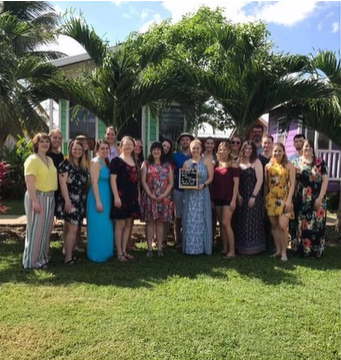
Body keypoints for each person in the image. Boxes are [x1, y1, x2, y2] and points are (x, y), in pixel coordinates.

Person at [23, 133, 57, 269]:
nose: (45, 143)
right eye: (42, 141)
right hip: (38, 197)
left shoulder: (49, 159)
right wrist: (35, 201)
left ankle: (42, 258)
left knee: (45, 230)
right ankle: (31, 261)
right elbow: (29, 182)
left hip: (50, 197)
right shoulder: (32, 160)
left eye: (47, 141)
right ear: (36, 144)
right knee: (36, 231)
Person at [291, 139, 329, 258]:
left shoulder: (320, 162)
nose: (307, 148)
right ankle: (302, 251)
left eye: (309, 146)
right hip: (300, 199)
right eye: (305, 146)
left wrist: (320, 198)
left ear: (313, 148)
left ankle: (315, 252)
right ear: (302, 148)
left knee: (317, 225)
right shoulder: (295, 162)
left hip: (317, 198)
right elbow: (291, 182)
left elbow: (325, 180)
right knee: (301, 225)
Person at [57, 139, 89, 265]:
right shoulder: (65, 164)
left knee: (73, 229)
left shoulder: (82, 166)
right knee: (73, 230)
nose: (77, 151)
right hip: (70, 200)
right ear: (70, 149)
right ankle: (68, 258)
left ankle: (69, 254)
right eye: (75, 149)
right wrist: (67, 201)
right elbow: (62, 184)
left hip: (79, 201)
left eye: (80, 149)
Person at [140, 142, 174, 257]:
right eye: (154, 149)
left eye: (158, 149)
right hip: (150, 197)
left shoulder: (167, 165)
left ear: (161, 151)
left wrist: (164, 195)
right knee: (149, 223)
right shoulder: (146, 164)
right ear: (151, 151)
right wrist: (149, 194)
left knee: (160, 223)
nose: (156, 151)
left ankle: (159, 248)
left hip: (163, 198)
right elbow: (143, 180)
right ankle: (149, 248)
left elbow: (171, 183)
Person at [110, 136, 141, 262]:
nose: (128, 146)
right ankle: (119, 252)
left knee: (128, 225)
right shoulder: (116, 161)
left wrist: (138, 195)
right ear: (121, 146)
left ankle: (124, 250)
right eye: (125, 144)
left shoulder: (136, 161)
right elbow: (112, 180)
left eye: (130, 144)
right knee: (120, 225)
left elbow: (137, 182)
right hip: (121, 197)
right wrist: (116, 197)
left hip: (132, 197)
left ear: (133, 147)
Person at [182, 139, 214, 255]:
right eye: (193, 148)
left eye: (197, 148)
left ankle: (202, 248)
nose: (195, 150)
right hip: (190, 195)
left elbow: (211, 177)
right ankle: (190, 248)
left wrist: (204, 184)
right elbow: (184, 179)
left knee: (202, 219)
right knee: (190, 220)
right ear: (190, 150)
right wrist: (188, 185)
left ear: (201, 149)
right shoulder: (186, 163)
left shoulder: (207, 161)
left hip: (202, 194)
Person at [265, 142, 295, 261]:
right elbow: (266, 185)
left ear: (283, 152)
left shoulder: (289, 165)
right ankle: (278, 250)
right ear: (272, 152)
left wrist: (289, 200)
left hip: (284, 199)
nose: (277, 153)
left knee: (283, 226)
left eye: (280, 151)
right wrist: (264, 199)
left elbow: (292, 184)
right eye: (275, 151)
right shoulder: (268, 166)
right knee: (274, 225)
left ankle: (284, 252)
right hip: (271, 199)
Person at [211, 142, 239, 259]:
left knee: (226, 223)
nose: (222, 151)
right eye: (220, 149)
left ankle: (232, 251)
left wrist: (233, 200)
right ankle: (224, 248)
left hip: (228, 198)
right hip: (217, 197)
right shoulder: (216, 165)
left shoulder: (233, 165)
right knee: (221, 224)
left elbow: (236, 184)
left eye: (225, 149)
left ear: (229, 151)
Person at [87, 140, 114, 262]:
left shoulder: (105, 162)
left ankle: (106, 251)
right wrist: (98, 201)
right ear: (97, 150)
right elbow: (93, 182)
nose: (105, 151)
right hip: (97, 196)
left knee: (105, 225)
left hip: (106, 195)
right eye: (102, 148)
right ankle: (96, 254)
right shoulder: (95, 162)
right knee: (98, 225)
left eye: (106, 148)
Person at [237, 141, 265, 255]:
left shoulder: (257, 162)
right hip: (241, 195)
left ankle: (254, 248)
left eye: (250, 148)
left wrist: (253, 196)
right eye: (246, 148)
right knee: (242, 220)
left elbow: (260, 180)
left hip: (253, 195)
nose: (248, 150)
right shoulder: (238, 162)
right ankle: (241, 247)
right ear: (242, 149)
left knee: (252, 221)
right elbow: (235, 180)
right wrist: (237, 194)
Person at [172, 132, 194, 248]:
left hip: (192, 190)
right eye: (183, 140)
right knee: (178, 215)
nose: (185, 141)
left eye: (187, 140)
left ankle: (188, 238)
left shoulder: (195, 154)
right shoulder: (176, 155)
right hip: (179, 188)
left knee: (190, 214)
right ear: (180, 142)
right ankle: (177, 239)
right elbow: (181, 164)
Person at [47, 129, 64, 218]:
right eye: (55, 137)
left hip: (58, 189)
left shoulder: (61, 156)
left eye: (60, 138)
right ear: (49, 138)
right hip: (47, 191)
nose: (57, 140)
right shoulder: (45, 155)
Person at [162, 138, 174, 244]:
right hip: (153, 192)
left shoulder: (170, 162)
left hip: (167, 191)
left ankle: (163, 239)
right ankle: (155, 239)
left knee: (164, 216)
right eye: (164, 145)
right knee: (154, 216)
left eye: (167, 147)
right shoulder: (150, 160)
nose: (165, 148)